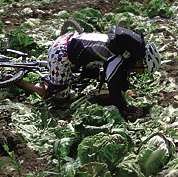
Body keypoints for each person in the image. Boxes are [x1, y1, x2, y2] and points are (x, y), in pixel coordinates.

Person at [16, 26, 162, 117]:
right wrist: (123, 108)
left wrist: (126, 95)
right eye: (143, 70)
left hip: (69, 38)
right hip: (61, 52)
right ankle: (19, 81)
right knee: (59, 98)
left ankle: (53, 75)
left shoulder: (125, 51)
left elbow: (122, 80)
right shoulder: (118, 56)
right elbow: (113, 83)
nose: (141, 74)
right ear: (139, 62)